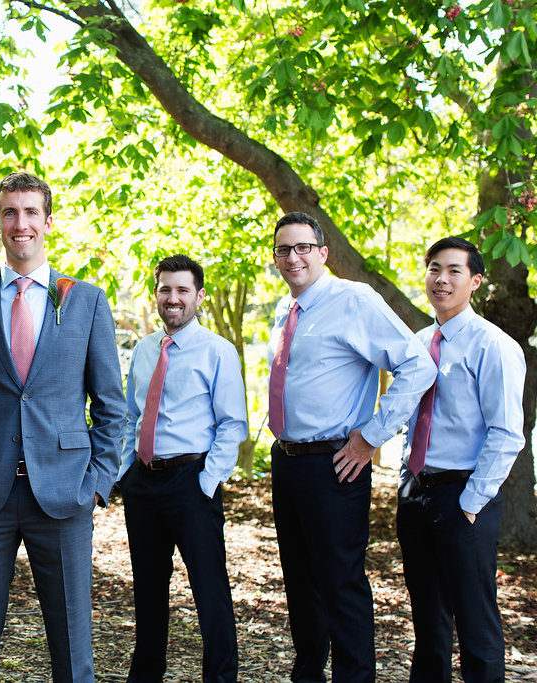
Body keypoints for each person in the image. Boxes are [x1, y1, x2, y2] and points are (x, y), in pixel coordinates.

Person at [0, 171, 126, 682]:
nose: (21, 223)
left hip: (64, 493)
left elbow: (110, 405)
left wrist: (97, 484)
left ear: (48, 222)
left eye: (31, 212)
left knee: (72, 643)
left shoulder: (86, 301)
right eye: (10, 213)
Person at [267, 211, 435, 682]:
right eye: (284, 249)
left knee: (341, 585)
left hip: (336, 465)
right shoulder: (285, 309)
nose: (293, 256)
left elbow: (418, 367)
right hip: (289, 462)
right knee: (300, 585)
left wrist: (370, 437)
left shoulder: (353, 300)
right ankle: (309, 675)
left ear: (323, 253)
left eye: (303, 247)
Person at [396, 237, 524, 682]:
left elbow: (507, 432)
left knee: (474, 619)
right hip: (415, 492)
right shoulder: (415, 343)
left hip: (465, 494)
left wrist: (471, 502)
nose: (442, 279)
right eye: (434, 269)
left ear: (476, 281)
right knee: (428, 621)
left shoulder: (494, 345)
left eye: (454, 271)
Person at [118, 254, 245, 682]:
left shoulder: (217, 351)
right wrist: (124, 473)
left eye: (182, 291)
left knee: (210, 593)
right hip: (143, 485)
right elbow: (131, 416)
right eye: (165, 290)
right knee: (148, 594)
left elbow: (233, 424)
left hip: (192, 482)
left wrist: (206, 482)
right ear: (156, 294)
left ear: (199, 296)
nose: (173, 299)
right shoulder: (144, 349)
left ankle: (221, 677)